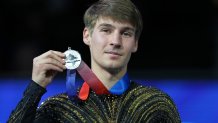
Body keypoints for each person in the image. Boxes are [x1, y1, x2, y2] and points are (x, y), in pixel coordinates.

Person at [8, 0, 181, 122]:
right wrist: (35, 88)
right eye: (106, 30)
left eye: (126, 33)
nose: (115, 41)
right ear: (87, 35)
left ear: (135, 43)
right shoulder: (58, 109)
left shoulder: (156, 105)